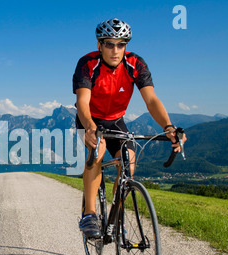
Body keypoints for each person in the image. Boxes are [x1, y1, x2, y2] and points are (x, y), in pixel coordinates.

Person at [73, 19, 186, 238]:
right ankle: (89, 214)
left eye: (121, 44)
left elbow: (151, 100)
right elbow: (83, 102)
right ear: (99, 45)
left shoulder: (136, 64)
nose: (115, 50)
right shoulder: (87, 63)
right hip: (89, 119)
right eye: (109, 44)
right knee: (97, 153)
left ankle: (117, 217)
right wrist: (89, 128)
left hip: (115, 120)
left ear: (126, 45)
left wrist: (168, 127)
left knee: (129, 162)